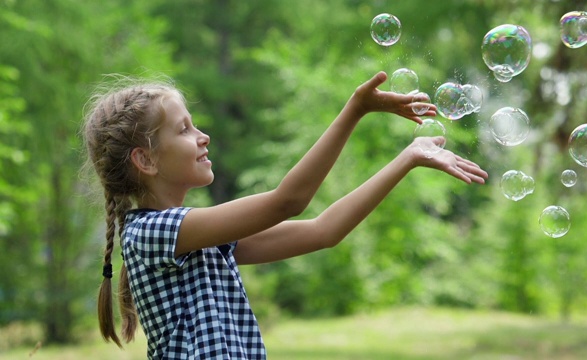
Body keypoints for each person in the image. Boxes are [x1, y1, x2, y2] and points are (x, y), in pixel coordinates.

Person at [82, 71, 488, 359]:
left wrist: (408, 158)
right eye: (184, 129)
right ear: (146, 160)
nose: (202, 136)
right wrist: (354, 109)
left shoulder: (202, 238)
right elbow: (287, 201)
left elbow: (324, 230)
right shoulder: (149, 234)